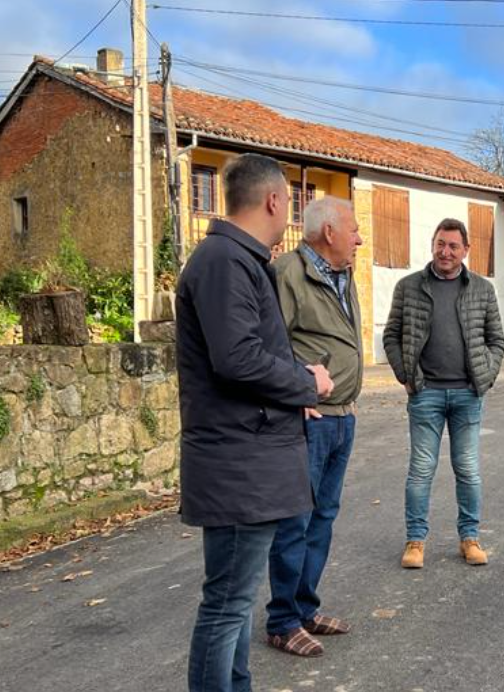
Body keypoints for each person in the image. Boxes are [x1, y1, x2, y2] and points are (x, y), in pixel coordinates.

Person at [177, 153, 333, 692]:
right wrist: (305, 384)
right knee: (226, 606)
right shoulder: (224, 261)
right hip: (238, 465)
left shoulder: (238, 259)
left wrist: (296, 378)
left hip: (246, 461)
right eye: (289, 202)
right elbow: (237, 358)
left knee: (235, 604)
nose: (288, 212)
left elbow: (253, 351)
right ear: (273, 200)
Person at [264, 197, 364, 658]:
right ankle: (282, 621)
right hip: (312, 419)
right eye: (355, 229)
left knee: (323, 517)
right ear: (329, 232)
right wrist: (295, 393)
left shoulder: (344, 276)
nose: (360, 237)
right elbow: (269, 342)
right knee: (296, 521)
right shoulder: (287, 273)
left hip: (342, 415)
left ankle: (305, 608)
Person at [383, 218, 504, 569]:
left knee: (467, 469)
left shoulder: (481, 289)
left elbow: (496, 339)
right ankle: (415, 542)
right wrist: (405, 375)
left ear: (466, 250)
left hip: (468, 394)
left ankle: (470, 539)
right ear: (432, 244)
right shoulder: (409, 287)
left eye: (453, 245)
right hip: (425, 394)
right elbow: (392, 334)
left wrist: (487, 375)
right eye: (440, 243)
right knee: (421, 470)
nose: (445, 251)